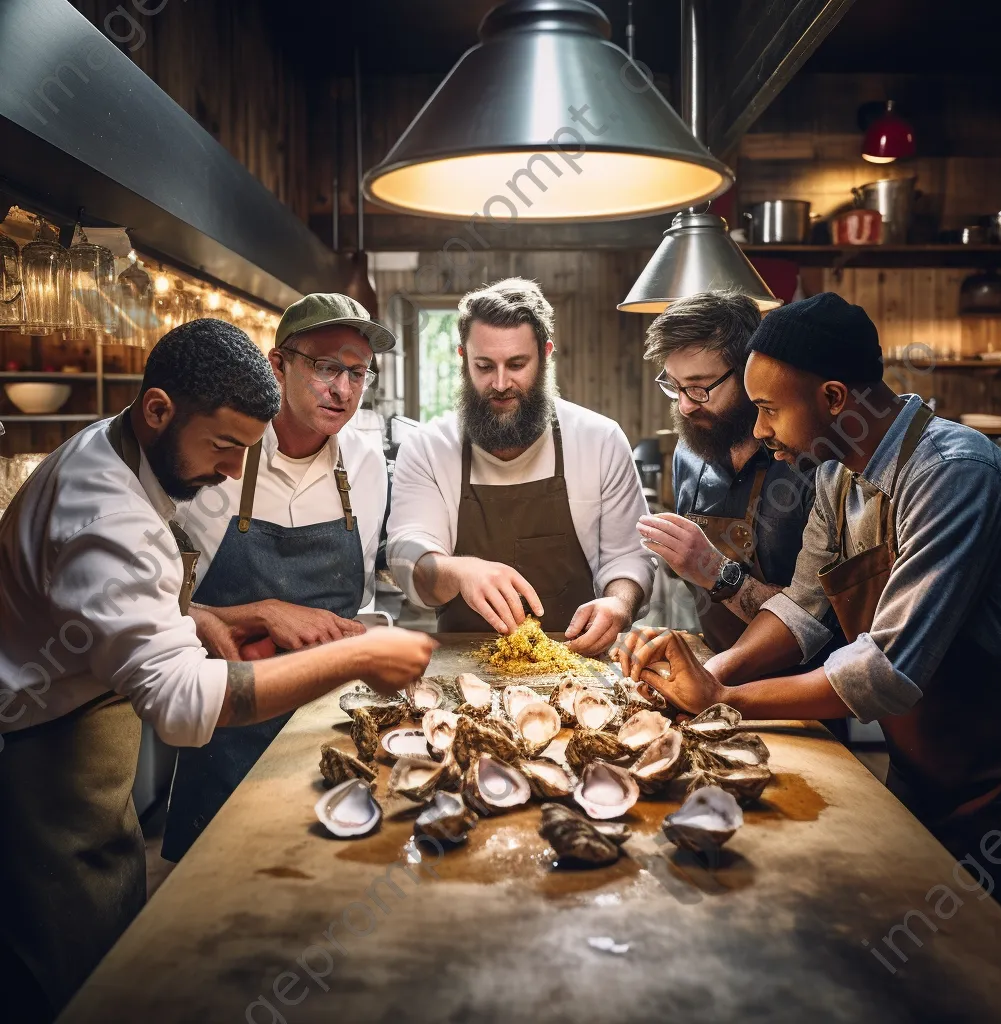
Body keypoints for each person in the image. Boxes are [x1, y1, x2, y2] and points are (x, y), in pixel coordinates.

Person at [0, 319, 435, 1022]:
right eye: (226, 446)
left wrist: (209, 618)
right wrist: (355, 657)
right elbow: (178, 703)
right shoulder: (106, 513)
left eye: (246, 450)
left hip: (87, 735)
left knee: (114, 946)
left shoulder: (125, 453)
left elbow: (118, 607)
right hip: (41, 760)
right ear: (159, 410)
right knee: (68, 984)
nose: (234, 471)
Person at [615, 292, 1001, 922]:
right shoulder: (838, 472)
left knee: (990, 968)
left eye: (769, 409)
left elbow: (887, 670)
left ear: (833, 398)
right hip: (923, 766)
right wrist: (708, 676)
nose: (757, 429)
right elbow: (803, 611)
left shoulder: (954, 474)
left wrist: (724, 702)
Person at [161, 294, 394, 862]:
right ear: (278, 364)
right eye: (324, 367)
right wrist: (260, 612)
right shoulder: (212, 456)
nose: (342, 389)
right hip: (229, 731)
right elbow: (158, 604)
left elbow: (368, 586)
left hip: (335, 725)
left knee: (329, 882)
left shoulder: (367, 467)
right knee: (217, 903)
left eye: (356, 372)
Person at [387, 278, 655, 654]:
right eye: (484, 366)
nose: (500, 384)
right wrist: (459, 571)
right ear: (463, 358)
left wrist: (620, 604)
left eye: (516, 364)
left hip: (577, 660)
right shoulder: (428, 447)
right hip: (463, 668)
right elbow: (405, 554)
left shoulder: (600, 441)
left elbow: (629, 556)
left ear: (545, 355)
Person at [635, 292, 839, 656]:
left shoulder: (810, 461)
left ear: (749, 370)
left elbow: (822, 621)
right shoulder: (689, 453)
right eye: (674, 386)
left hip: (797, 694)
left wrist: (714, 569)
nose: (685, 404)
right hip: (714, 675)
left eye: (700, 387)